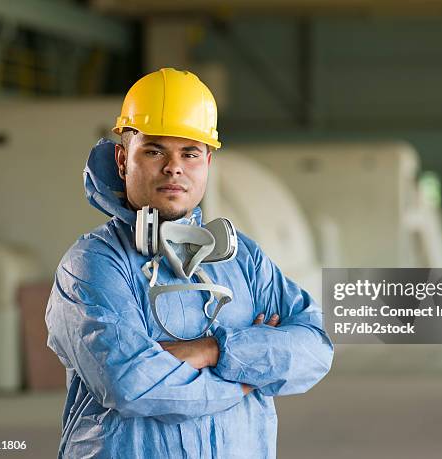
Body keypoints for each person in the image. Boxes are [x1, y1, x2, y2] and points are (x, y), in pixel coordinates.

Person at [45, 67, 333, 458]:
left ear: (207, 163)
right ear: (121, 158)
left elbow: (314, 349)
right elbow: (132, 384)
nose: (173, 167)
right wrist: (250, 377)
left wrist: (215, 349)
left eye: (190, 153)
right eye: (154, 150)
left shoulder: (243, 258)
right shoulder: (92, 265)